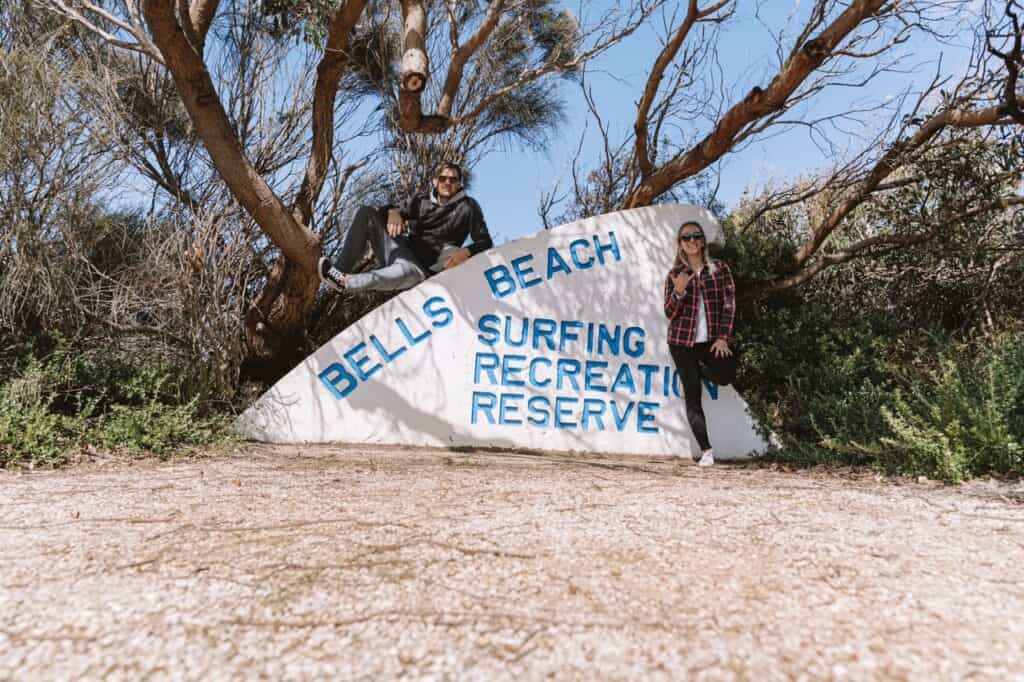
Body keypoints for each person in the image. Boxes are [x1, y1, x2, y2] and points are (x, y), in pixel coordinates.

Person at [318, 161, 492, 293]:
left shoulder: (468, 207)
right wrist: (393, 211)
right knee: (366, 213)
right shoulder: (421, 200)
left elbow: (485, 242)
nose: (447, 183)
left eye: (453, 180)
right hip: (402, 250)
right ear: (435, 181)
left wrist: (465, 252)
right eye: (443, 178)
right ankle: (338, 271)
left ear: (459, 184)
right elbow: (384, 214)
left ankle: (344, 283)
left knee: (385, 277)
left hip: (418, 270)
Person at [664, 220, 737, 467]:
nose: (692, 241)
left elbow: (729, 304)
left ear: (703, 241)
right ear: (680, 244)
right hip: (681, 342)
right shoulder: (675, 275)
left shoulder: (720, 269)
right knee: (692, 395)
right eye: (686, 238)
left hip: (710, 342)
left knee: (725, 375)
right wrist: (679, 292)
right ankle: (706, 451)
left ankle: (701, 369)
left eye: (696, 236)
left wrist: (723, 337)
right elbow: (669, 312)